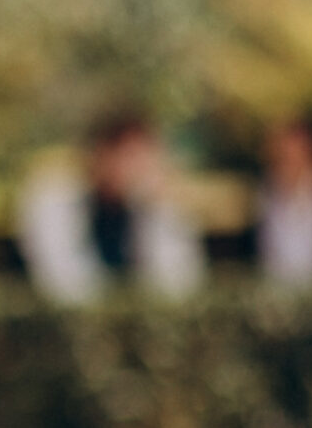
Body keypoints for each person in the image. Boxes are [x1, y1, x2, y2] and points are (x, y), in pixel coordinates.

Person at [17, 111, 204, 302]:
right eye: (128, 155)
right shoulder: (55, 201)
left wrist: (158, 212)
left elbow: (181, 284)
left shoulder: (152, 208)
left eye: (144, 156)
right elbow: (61, 284)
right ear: (100, 153)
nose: (137, 167)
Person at [255, 116, 312, 288]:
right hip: (274, 284)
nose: (292, 160)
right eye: (287, 154)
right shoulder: (267, 189)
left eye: (298, 153)